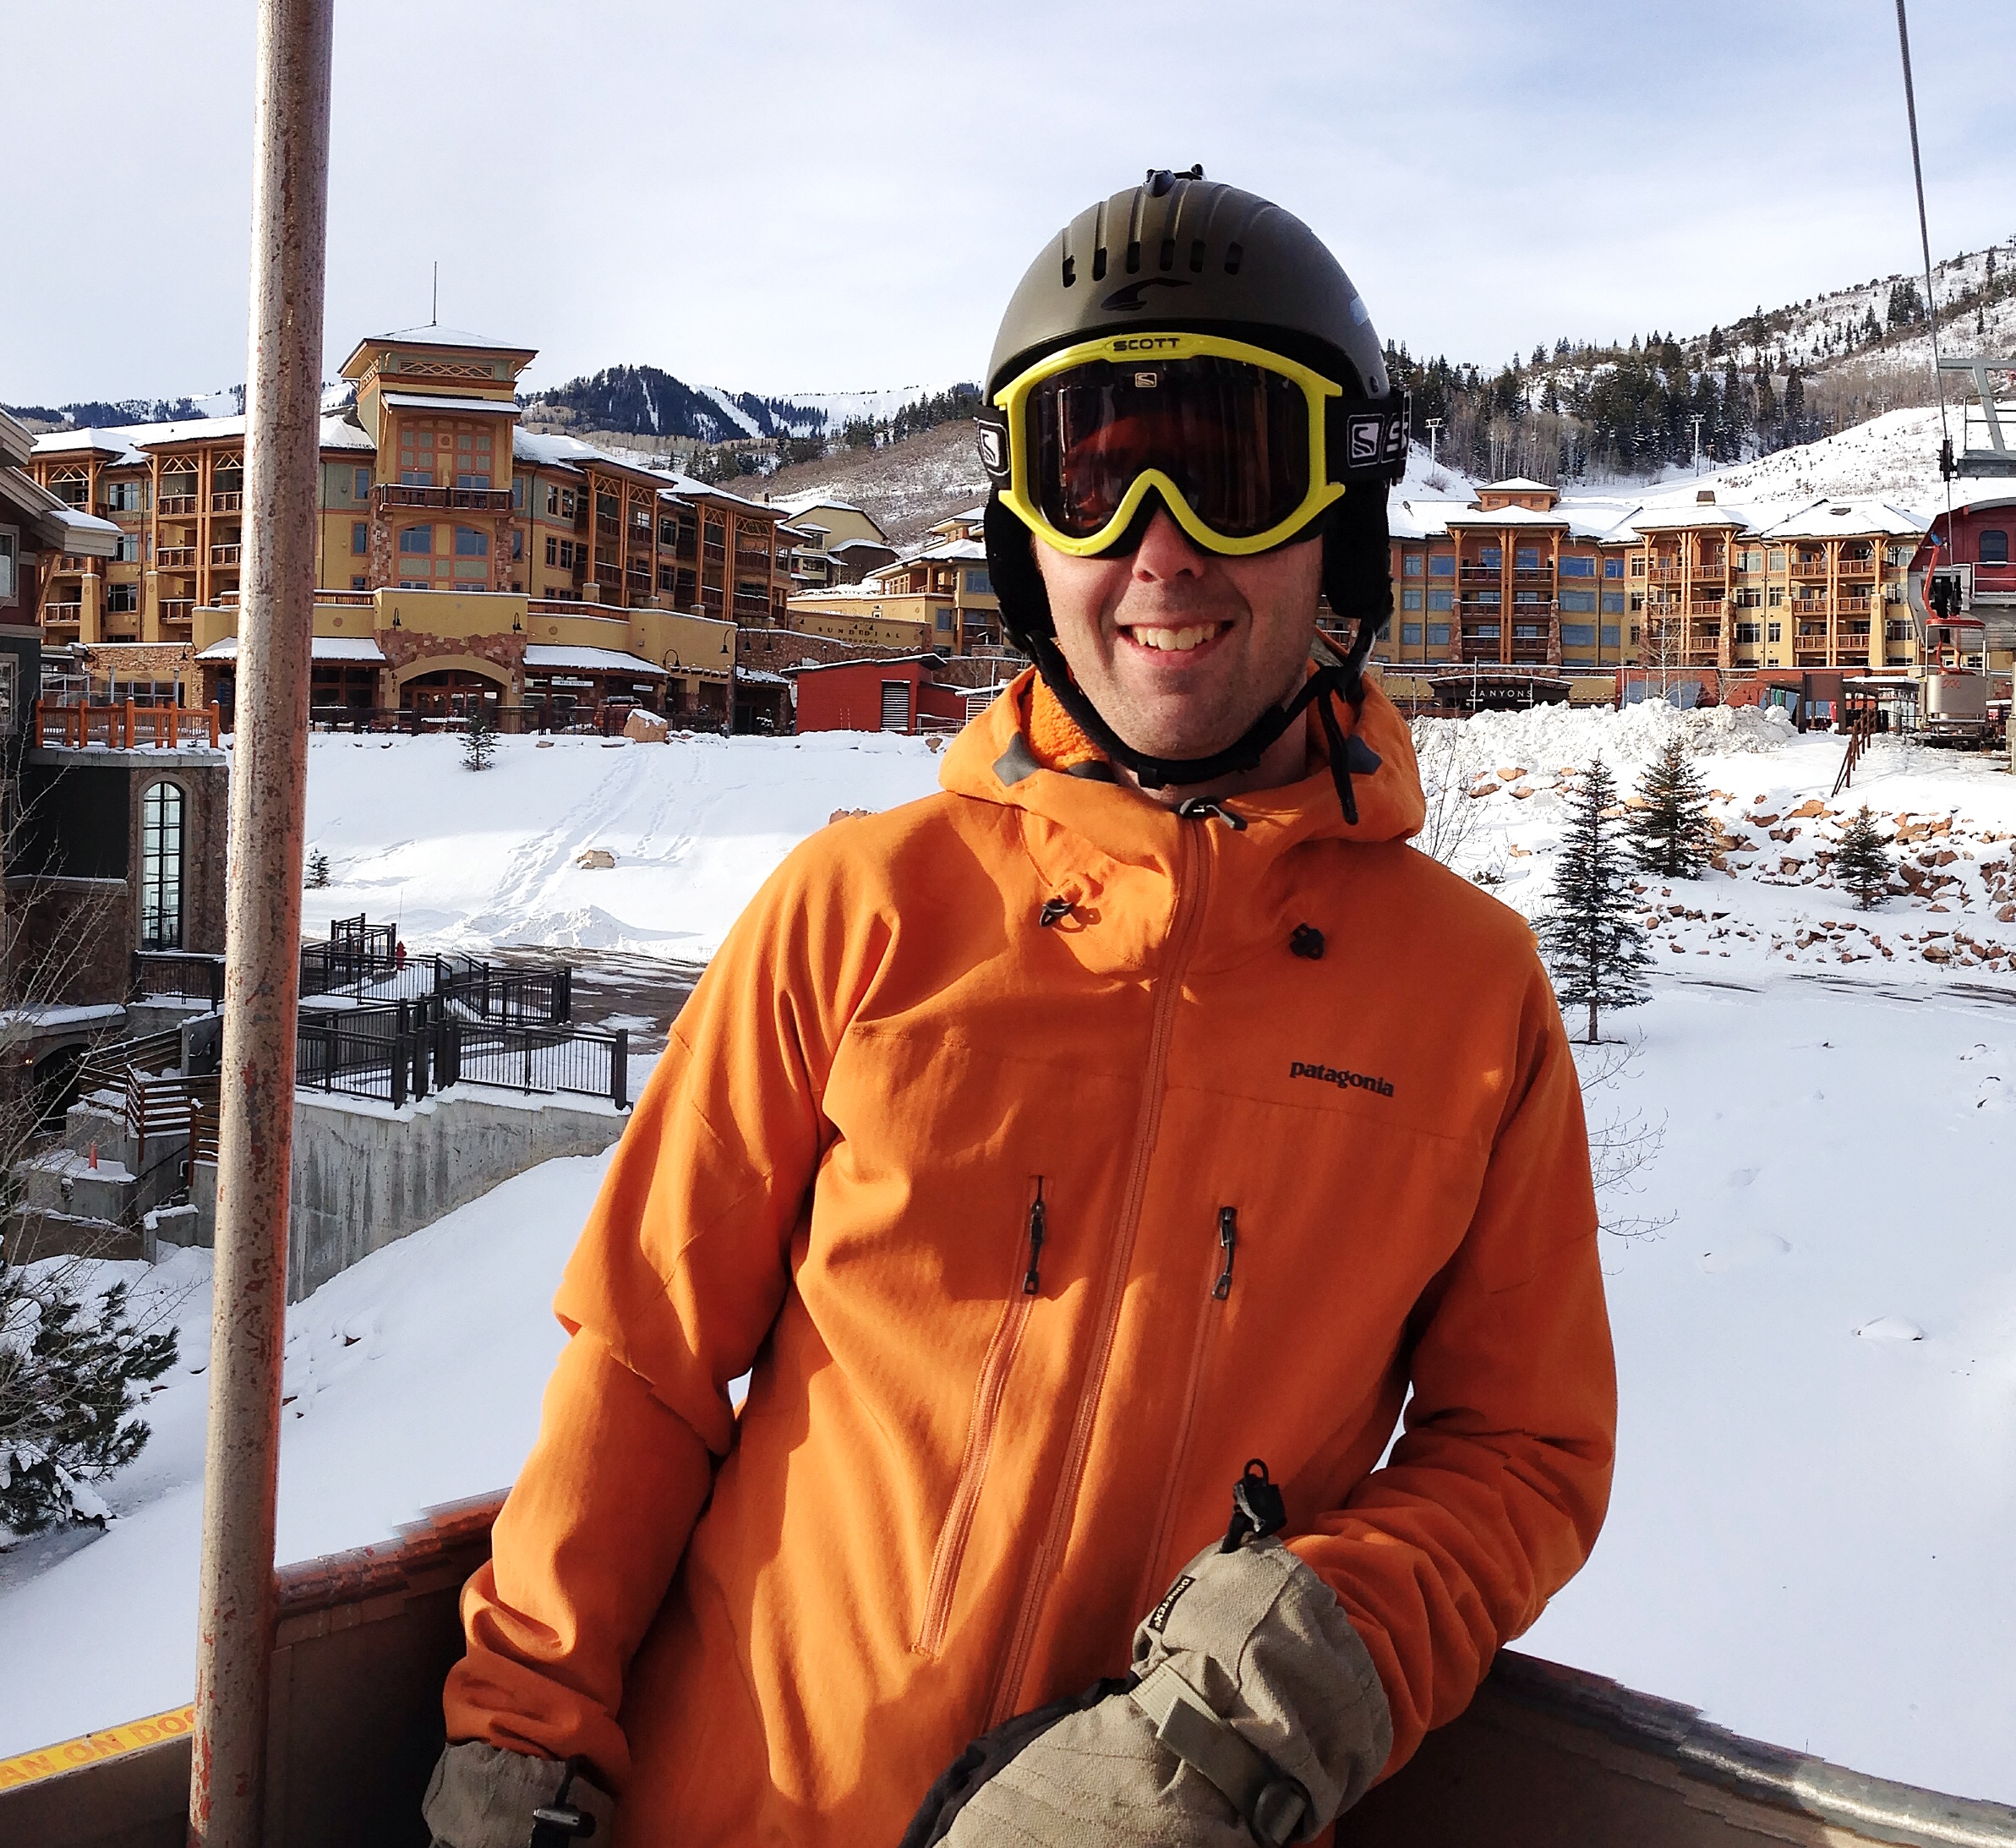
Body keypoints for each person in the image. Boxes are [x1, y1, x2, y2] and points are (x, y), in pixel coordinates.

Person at [420, 171, 1617, 1847]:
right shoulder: (860, 910)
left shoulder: (1467, 997)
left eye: (1233, 472)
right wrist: (524, 1734)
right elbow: (645, 1359)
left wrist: (1256, 1706)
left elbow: (1526, 1449)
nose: (1158, 547)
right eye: (1091, 477)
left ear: (1337, 520)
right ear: (1022, 538)